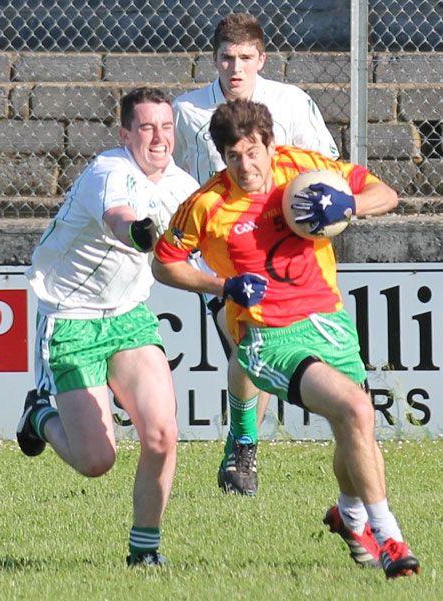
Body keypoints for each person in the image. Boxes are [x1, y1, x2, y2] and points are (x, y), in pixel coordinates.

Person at [151, 99, 420, 579]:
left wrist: (348, 205)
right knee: (357, 410)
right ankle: (390, 538)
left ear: (270, 145)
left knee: (355, 429)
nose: (246, 166)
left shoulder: (303, 168)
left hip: (329, 320)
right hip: (267, 338)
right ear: (221, 156)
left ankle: (348, 514)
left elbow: (386, 193)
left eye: (254, 153)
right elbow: (164, 262)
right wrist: (222, 285)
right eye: (233, 156)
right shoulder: (207, 204)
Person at [16, 87, 199, 567]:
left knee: (162, 434)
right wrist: (139, 231)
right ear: (125, 134)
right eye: (146, 128)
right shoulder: (109, 170)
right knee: (96, 462)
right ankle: (39, 414)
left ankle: (145, 552)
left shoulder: (183, 187)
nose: (158, 138)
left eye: (165, 127)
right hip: (70, 318)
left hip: (128, 317)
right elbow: (119, 217)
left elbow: (209, 242)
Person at [172, 13, 339, 496]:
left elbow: (324, 167)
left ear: (262, 59)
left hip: (287, 256)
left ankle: (241, 448)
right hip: (221, 259)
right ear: (214, 59)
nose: (236, 67)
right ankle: (243, 449)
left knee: (256, 353)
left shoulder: (290, 102)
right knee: (251, 344)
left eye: (246, 57)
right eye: (227, 57)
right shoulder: (188, 112)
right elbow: (179, 178)